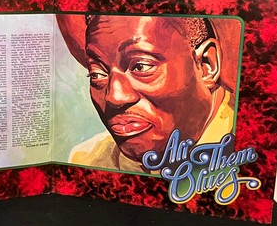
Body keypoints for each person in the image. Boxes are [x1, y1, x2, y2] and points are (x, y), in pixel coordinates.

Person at [57, 14, 240, 174]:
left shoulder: (248, 150)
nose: (114, 96)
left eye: (140, 66)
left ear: (207, 66)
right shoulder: (90, 161)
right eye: (97, 74)